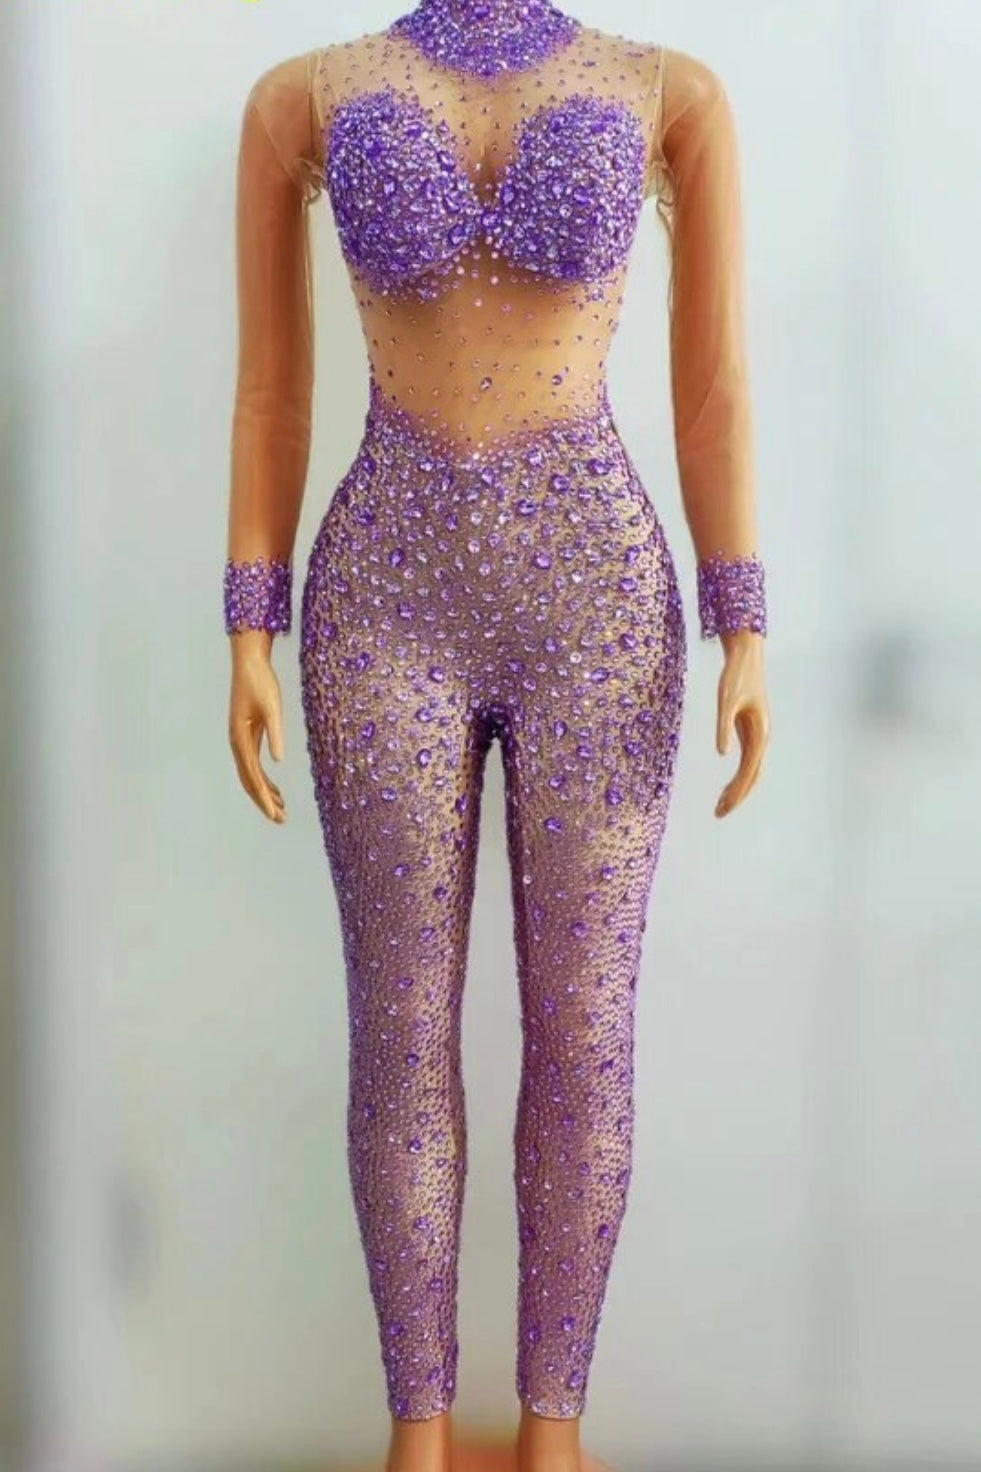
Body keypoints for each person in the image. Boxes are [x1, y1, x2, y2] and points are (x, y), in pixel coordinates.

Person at [222, 3, 771, 1469]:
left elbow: (713, 383)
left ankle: (551, 1432)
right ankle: (414, 1430)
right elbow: (271, 389)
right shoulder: (301, 98)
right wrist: (248, 623)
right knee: (398, 1031)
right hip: (379, 604)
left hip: (600, 602)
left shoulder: (671, 93)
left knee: (584, 1032)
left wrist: (743, 618)